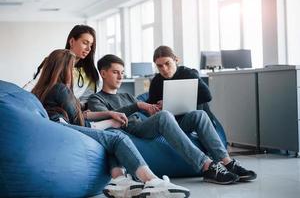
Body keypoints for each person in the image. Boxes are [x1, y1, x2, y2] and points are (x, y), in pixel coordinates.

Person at [31, 49, 190, 198]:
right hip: (63, 128)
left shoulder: (44, 88)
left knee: (112, 135)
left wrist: (104, 118)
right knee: (118, 138)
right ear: (63, 68)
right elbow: (78, 121)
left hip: (58, 127)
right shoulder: (61, 89)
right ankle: (152, 181)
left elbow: (79, 116)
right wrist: (107, 121)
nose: (73, 73)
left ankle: (119, 180)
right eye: (72, 68)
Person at [88, 54, 257, 185]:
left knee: (198, 115)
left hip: (146, 123)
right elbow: (111, 118)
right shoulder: (97, 99)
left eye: (122, 73)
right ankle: (206, 166)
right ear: (103, 73)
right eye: (115, 72)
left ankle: (226, 162)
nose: (120, 77)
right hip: (133, 131)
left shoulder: (126, 95)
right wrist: (138, 106)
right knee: (164, 117)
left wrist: (155, 107)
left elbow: (145, 112)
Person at [26, 25, 100, 109]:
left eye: (91, 45)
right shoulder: (54, 60)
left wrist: (74, 106)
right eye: (85, 43)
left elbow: (86, 100)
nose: (88, 49)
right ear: (72, 41)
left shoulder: (90, 72)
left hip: (70, 113)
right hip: (44, 108)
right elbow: (34, 84)